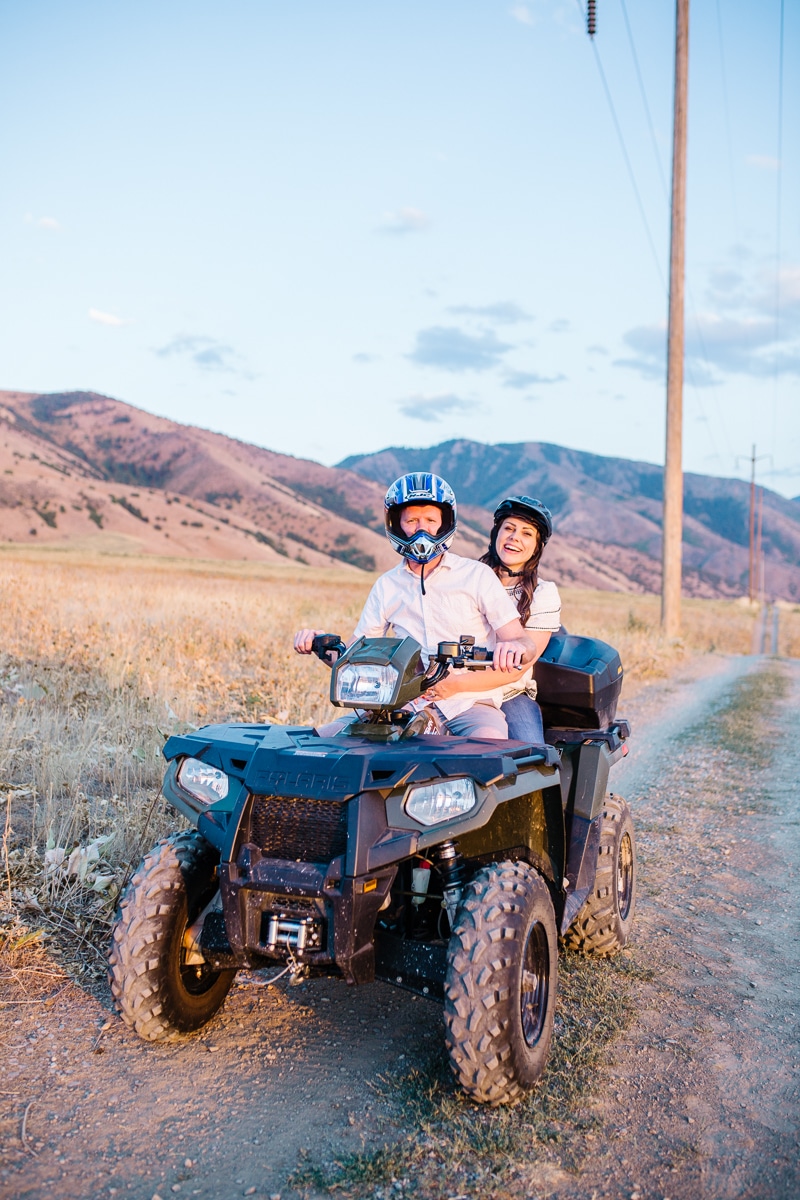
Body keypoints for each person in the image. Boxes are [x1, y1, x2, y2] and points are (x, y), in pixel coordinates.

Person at [294, 472, 547, 738]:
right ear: (396, 525)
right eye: (411, 520)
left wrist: (517, 648)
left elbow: (522, 641)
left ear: (444, 523)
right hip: (404, 704)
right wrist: (320, 644)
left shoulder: (476, 575)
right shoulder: (387, 585)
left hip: (472, 703)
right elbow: (357, 659)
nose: (421, 529)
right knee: (323, 738)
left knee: (488, 749)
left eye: (430, 520)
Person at [480, 495, 562, 744]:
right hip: (456, 688)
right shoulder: (467, 579)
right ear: (496, 534)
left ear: (537, 547)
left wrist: (456, 686)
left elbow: (521, 668)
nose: (515, 537)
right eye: (509, 528)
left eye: (527, 533)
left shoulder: (543, 594)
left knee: (531, 759)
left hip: (509, 693)